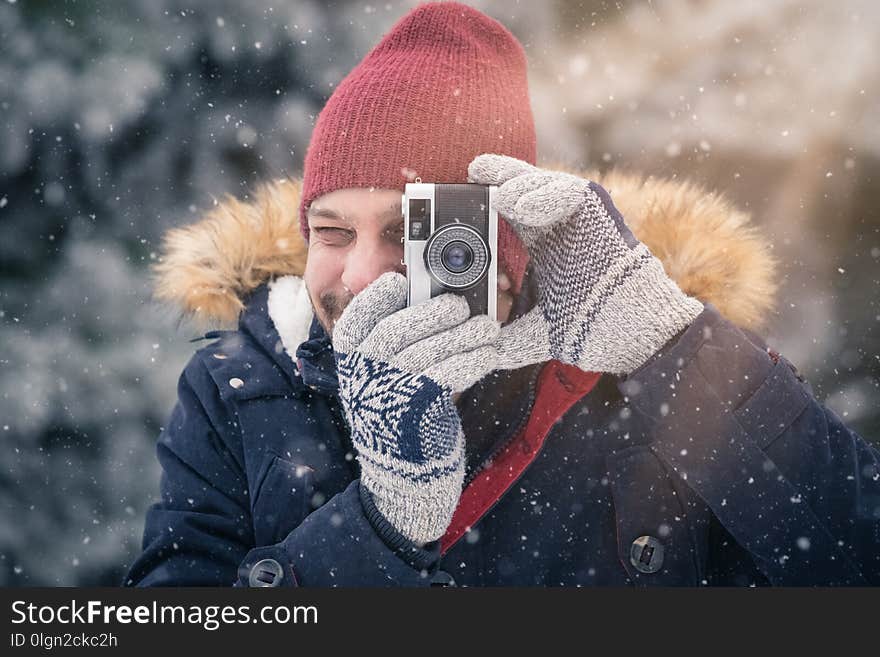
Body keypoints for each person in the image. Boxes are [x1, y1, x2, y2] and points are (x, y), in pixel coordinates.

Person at [124, 2, 879, 587]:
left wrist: (676, 351)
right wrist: (378, 525)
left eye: (408, 232)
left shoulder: (641, 376)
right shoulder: (243, 388)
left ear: (498, 242)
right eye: (331, 231)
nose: (356, 277)